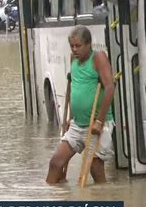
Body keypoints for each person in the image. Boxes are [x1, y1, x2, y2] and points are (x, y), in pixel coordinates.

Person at [46, 25, 115, 184]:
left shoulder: (98, 58)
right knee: (56, 163)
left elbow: (110, 87)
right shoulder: (73, 59)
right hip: (77, 124)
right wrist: (70, 118)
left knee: (95, 168)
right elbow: (73, 89)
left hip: (98, 123)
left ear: (89, 44)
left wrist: (99, 121)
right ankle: (53, 200)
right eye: (72, 46)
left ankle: (103, 203)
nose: (75, 49)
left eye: (78, 46)